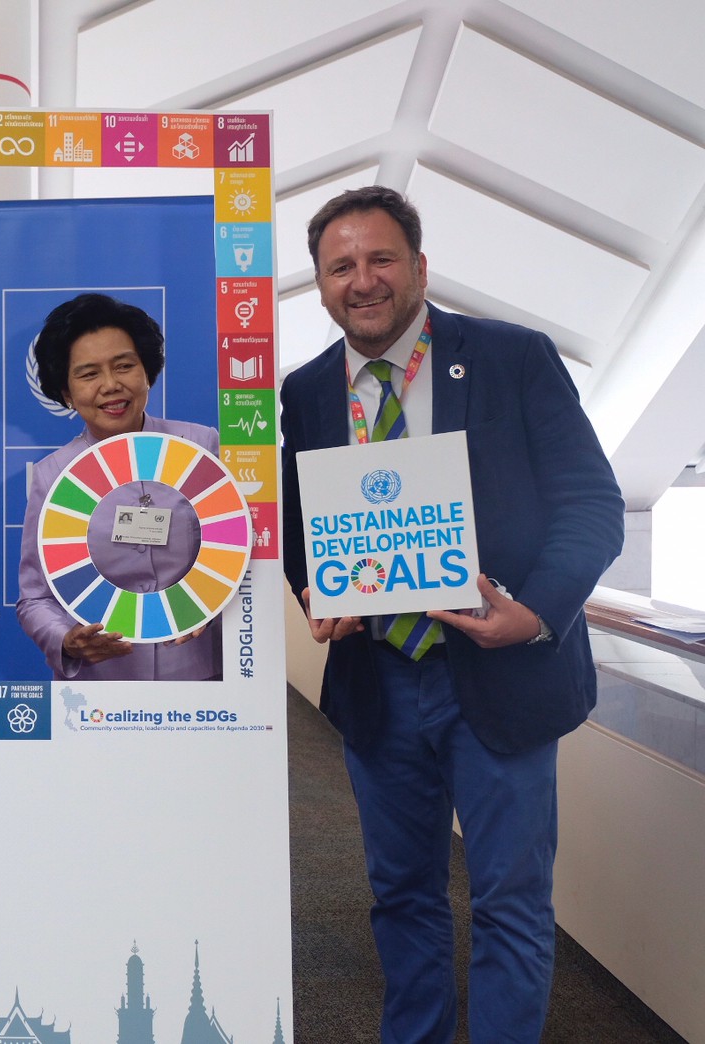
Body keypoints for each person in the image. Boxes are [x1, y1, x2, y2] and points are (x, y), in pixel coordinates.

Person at [281, 186, 625, 1043]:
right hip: (379, 680)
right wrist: (317, 592)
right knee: (401, 896)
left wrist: (535, 615)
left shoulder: (513, 357)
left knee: (511, 902)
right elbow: (300, 523)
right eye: (341, 267)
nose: (363, 280)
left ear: (420, 266)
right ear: (321, 286)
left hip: (500, 673)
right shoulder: (308, 389)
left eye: (381, 259)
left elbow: (591, 505)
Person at [16, 293, 222, 680]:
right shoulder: (54, 474)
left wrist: (213, 603)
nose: (111, 385)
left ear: (147, 371)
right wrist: (65, 640)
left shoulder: (200, 447)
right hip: (101, 688)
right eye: (88, 374)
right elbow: (36, 597)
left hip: (197, 677)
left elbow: (238, 556)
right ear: (66, 393)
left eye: (124, 366)